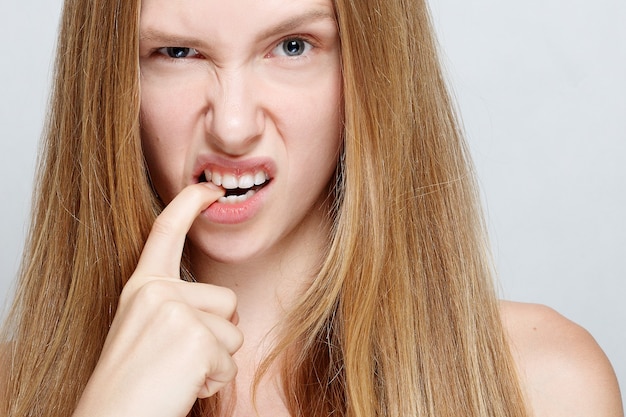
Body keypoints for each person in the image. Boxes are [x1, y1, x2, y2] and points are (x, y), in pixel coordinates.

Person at [0, 0, 622, 415]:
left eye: (293, 47)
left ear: (370, 70)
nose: (235, 126)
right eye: (177, 53)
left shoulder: (539, 385)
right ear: (109, 82)